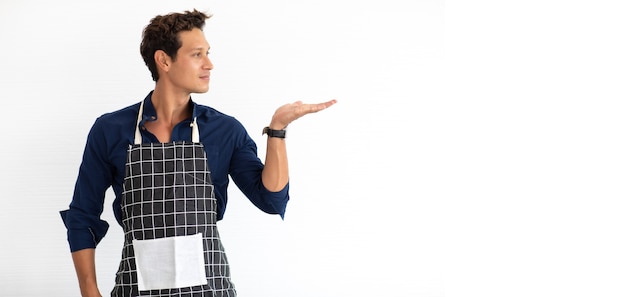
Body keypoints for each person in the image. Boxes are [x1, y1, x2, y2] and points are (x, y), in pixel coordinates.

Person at [60, 9, 336, 297]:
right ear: (164, 60)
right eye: (197, 55)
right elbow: (83, 215)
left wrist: (277, 130)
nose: (210, 64)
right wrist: (90, 292)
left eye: (208, 53)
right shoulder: (110, 130)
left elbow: (270, 199)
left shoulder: (224, 130)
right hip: (134, 290)